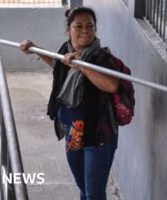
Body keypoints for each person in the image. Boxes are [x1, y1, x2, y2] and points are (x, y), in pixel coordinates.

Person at [20, 7, 122, 200]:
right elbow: (58, 65)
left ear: (95, 29)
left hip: (99, 136)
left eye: (90, 26)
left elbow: (111, 85)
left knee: (94, 193)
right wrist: (35, 49)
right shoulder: (65, 51)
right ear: (68, 30)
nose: (85, 31)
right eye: (79, 26)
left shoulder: (101, 57)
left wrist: (82, 67)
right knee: (83, 187)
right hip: (73, 133)